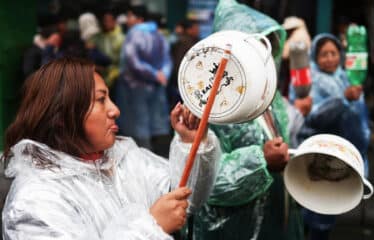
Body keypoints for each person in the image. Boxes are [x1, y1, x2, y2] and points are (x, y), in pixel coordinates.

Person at [1, 57, 221, 239]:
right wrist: (150, 228)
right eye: (100, 100)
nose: (115, 110)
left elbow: (183, 199)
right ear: (61, 116)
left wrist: (191, 144)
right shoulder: (35, 199)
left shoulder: (123, 159)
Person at [192, 1, 304, 239]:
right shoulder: (210, 107)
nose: (267, 61)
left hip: (277, 221)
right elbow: (202, 183)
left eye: (270, 51)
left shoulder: (268, 96)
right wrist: (260, 160)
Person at [291, 33, 370, 240]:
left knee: (329, 203)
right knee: (312, 204)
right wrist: (342, 99)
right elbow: (313, 117)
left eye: (333, 53)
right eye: (324, 54)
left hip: (342, 155)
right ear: (315, 57)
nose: (329, 58)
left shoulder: (347, 77)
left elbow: (360, 119)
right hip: (318, 153)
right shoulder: (309, 80)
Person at [116, 5, 172, 156]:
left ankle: (144, 159)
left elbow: (132, 61)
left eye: (129, 16)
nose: (127, 20)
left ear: (139, 19)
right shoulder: (159, 34)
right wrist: (162, 75)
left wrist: (153, 74)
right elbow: (167, 61)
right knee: (157, 124)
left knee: (138, 125)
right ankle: (160, 159)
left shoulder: (133, 34)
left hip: (135, 87)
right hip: (157, 87)